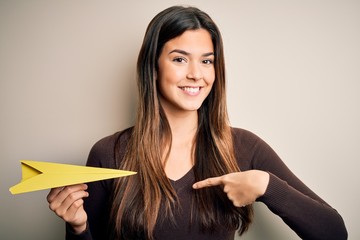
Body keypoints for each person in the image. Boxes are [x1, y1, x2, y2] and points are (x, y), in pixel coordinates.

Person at [46, 5, 348, 240]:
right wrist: (77, 227)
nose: (196, 74)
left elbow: (334, 233)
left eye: (206, 60)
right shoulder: (108, 152)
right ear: (152, 67)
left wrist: (267, 186)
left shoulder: (244, 147)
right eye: (179, 59)